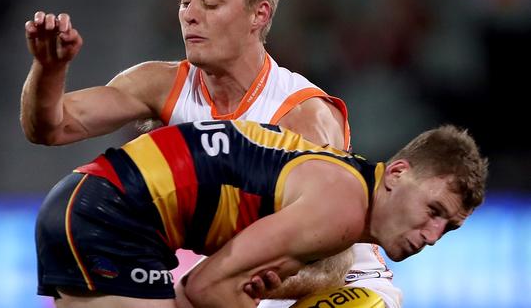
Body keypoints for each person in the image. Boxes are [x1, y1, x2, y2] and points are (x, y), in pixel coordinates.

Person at [21, 0, 396, 305]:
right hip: (245, 274)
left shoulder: (302, 115)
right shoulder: (160, 84)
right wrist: (49, 69)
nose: (190, 14)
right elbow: (52, 128)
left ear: (259, 14)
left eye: (211, 2)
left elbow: (332, 260)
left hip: (339, 282)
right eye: (185, 0)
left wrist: (214, 286)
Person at [35, 120, 488, 308]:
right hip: (110, 214)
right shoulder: (342, 212)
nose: (432, 235)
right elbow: (205, 286)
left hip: (95, 203)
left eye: (447, 227)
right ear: (398, 173)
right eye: (434, 210)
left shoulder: (343, 187)